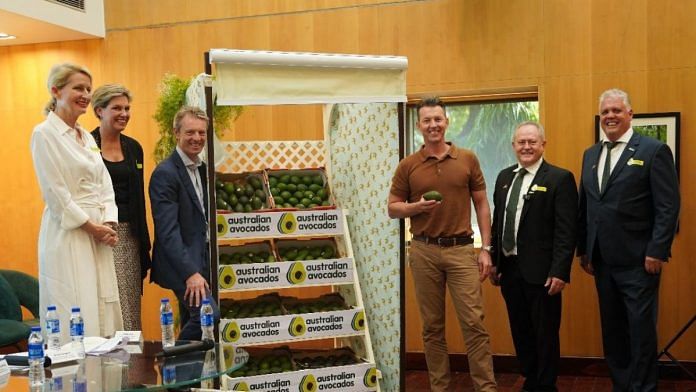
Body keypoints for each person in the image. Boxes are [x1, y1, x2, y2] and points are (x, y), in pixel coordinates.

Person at [388, 97, 497, 391]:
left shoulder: (468, 159)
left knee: (474, 324)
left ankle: (486, 388)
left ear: (446, 122)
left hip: (462, 250)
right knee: (432, 328)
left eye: (438, 119)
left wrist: (486, 248)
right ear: (419, 126)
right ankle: (440, 388)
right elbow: (392, 208)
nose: (433, 125)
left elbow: (482, 204)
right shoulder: (408, 165)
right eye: (427, 120)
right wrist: (416, 208)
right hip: (423, 251)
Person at [577, 88, 680, 391]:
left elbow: (668, 206)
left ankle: (643, 388)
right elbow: (587, 205)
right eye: (605, 112)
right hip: (602, 262)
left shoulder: (652, 150)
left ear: (630, 114)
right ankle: (622, 386)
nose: (610, 116)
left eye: (616, 111)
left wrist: (657, 251)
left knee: (641, 332)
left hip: (639, 262)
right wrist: (584, 250)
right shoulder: (591, 154)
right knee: (614, 332)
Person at [31, 63, 123, 341]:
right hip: (70, 232)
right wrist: (91, 227)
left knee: (102, 303)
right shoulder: (44, 134)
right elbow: (56, 193)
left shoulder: (85, 135)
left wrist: (108, 220)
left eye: (87, 89)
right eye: (77, 88)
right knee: (75, 302)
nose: (85, 94)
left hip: (99, 232)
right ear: (56, 91)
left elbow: (103, 181)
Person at [490, 121, 577, 392]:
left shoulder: (559, 178)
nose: (526, 147)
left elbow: (567, 230)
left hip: (543, 273)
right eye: (521, 142)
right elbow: (497, 223)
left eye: (532, 142)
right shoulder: (505, 178)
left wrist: (560, 271)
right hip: (510, 269)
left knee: (545, 333)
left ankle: (547, 384)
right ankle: (530, 379)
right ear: (514, 145)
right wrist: (494, 261)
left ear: (543, 144)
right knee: (521, 329)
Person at [150, 106, 219, 340]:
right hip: (181, 264)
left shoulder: (201, 169)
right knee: (208, 315)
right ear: (176, 133)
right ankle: (173, 364)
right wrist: (191, 273)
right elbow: (167, 232)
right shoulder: (165, 173)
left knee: (195, 318)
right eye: (190, 132)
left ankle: (188, 374)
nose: (197, 138)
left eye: (201, 133)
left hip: (200, 257)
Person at [91, 84, 151, 331]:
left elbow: (139, 198)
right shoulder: (85, 146)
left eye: (127, 108)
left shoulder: (134, 148)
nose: (124, 113)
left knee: (129, 306)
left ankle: (134, 367)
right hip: (99, 235)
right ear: (99, 111)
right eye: (116, 108)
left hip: (129, 236)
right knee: (105, 305)